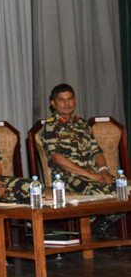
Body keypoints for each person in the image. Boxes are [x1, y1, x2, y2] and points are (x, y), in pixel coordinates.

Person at [39, 83, 121, 237]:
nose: (67, 103)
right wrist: (92, 176)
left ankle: (99, 225)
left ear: (75, 101)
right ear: (53, 104)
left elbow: (96, 151)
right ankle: (94, 228)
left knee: (124, 190)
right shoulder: (50, 126)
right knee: (102, 192)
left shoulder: (82, 124)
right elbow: (57, 158)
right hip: (68, 176)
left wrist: (104, 171)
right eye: (62, 100)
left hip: (93, 173)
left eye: (70, 99)